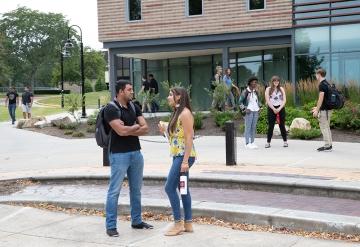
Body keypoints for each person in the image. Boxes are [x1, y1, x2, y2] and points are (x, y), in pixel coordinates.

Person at [103, 80, 153, 237]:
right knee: (114, 191)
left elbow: (145, 129)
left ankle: (136, 221)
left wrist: (128, 129)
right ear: (120, 91)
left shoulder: (134, 106)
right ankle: (111, 226)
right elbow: (120, 131)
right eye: (129, 89)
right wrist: (134, 128)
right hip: (118, 155)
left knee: (136, 190)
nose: (132, 92)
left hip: (136, 154)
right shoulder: (111, 109)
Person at [158, 87, 196, 236]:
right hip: (179, 156)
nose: (168, 97)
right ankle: (188, 223)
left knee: (169, 187)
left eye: (170, 95)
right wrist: (165, 131)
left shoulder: (185, 113)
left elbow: (189, 138)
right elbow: (176, 137)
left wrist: (185, 161)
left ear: (179, 97)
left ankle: (177, 223)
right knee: (183, 189)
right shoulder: (177, 113)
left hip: (183, 157)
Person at [312, 67, 332, 152]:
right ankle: (329, 145)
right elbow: (325, 99)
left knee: (324, 127)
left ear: (319, 74)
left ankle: (327, 146)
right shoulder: (327, 83)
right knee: (327, 127)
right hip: (328, 109)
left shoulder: (322, 85)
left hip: (324, 110)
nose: (315, 76)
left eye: (316, 74)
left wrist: (317, 110)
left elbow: (321, 98)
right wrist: (317, 107)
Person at [264, 76, 288, 148]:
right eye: (275, 81)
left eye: (277, 81)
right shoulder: (268, 89)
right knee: (271, 126)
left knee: (282, 125)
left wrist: (279, 108)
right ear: (272, 81)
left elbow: (284, 100)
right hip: (271, 108)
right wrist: (274, 108)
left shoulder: (281, 89)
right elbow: (267, 100)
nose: (276, 82)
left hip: (281, 108)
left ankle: (285, 141)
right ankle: (268, 142)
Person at [239, 76, 262, 149]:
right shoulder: (245, 91)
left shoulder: (256, 92)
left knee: (253, 127)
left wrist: (260, 107)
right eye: (254, 82)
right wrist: (244, 109)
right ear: (250, 83)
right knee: (248, 127)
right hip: (249, 112)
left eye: (256, 82)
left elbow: (259, 101)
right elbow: (239, 102)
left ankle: (252, 142)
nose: (255, 84)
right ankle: (247, 143)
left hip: (256, 111)